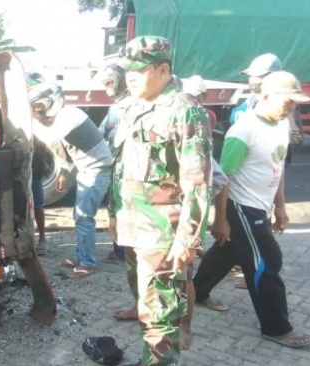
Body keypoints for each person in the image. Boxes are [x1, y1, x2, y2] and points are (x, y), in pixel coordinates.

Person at [112, 36, 212, 365]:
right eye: (126, 71)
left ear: (163, 69)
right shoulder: (132, 106)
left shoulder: (185, 111)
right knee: (145, 302)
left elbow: (197, 181)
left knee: (159, 315)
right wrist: (114, 213)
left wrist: (189, 237)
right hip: (133, 225)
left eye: (137, 71)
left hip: (162, 232)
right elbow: (121, 165)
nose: (129, 77)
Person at [197, 71, 310, 349]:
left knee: (228, 251)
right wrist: (220, 219)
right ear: (265, 96)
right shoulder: (243, 131)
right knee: (267, 261)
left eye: (294, 102)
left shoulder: (282, 124)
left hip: (260, 206)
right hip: (242, 206)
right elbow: (223, 179)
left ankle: (197, 291)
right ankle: (276, 327)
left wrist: (281, 206)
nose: (291, 107)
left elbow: (278, 168)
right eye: (287, 101)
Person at [29, 82, 112, 278]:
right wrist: (66, 173)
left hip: (96, 170)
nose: (40, 112)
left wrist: (29, 119)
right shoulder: (64, 116)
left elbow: (50, 137)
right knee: (80, 217)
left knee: (84, 218)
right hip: (88, 169)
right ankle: (81, 256)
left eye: (40, 107)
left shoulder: (70, 115)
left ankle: (88, 263)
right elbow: (66, 150)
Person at [96, 64, 129, 265]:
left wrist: (111, 129)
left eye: (109, 82)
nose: (107, 88)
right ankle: (119, 250)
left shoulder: (128, 105)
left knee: (122, 209)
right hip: (116, 166)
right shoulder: (116, 106)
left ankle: (124, 252)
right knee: (115, 209)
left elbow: (112, 133)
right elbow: (102, 131)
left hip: (126, 168)